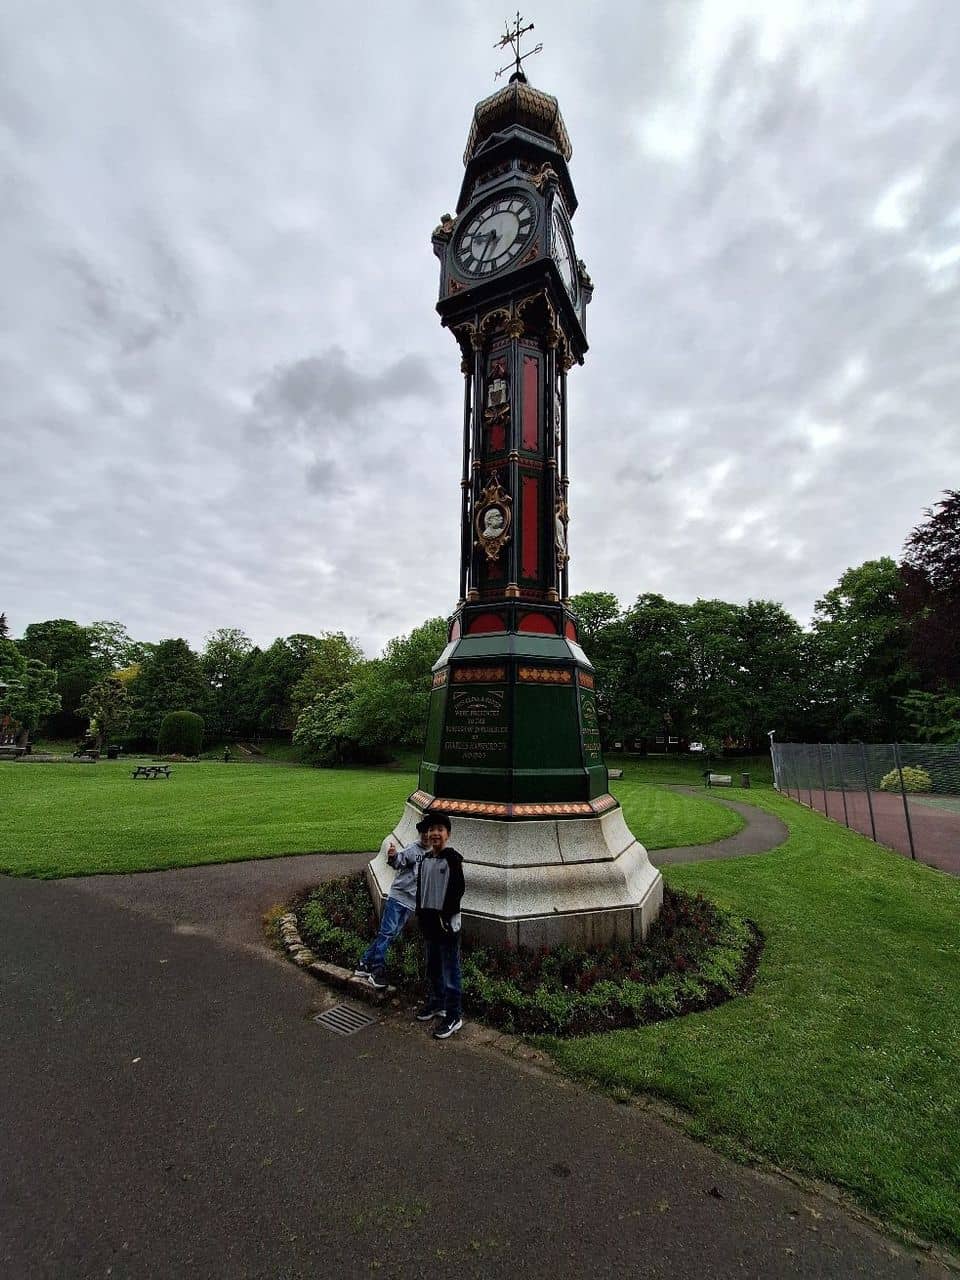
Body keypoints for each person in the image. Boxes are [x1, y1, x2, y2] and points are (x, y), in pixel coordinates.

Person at [353, 825, 428, 989]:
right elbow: (399, 861)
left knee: (390, 934)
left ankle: (364, 963)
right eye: (425, 832)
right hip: (398, 897)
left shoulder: (432, 855)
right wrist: (393, 856)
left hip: (410, 901)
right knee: (387, 933)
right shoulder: (412, 849)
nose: (427, 836)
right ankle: (376, 970)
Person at [413, 811, 465, 1040]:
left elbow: (457, 889)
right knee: (433, 966)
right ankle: (438, 1002)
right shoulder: (425, 860)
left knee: (450, 970)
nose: (434, 833)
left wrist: (447, 915)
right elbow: (421, 890)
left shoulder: (452, 859)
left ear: (448, 834)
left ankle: (454, 1015)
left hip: (446, 924)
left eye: (439, 830)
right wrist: (420, 914)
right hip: (429, 923)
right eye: (431, 830)